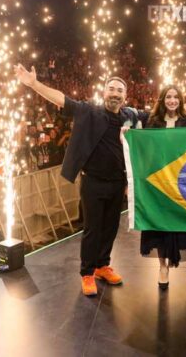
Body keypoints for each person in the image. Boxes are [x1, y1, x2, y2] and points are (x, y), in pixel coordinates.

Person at [15, 64, 138, 298]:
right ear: (103, 92)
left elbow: (158, 115)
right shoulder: (89, 111)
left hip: (117, 183)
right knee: (92, 229)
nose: (115, 93)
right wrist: (33, 84)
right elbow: (62, 99)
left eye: (119, 90)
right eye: (111, 88)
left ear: (125, 96)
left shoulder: (129, 116)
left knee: (111, 228)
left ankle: (103, 266)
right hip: (93, 182)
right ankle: (87, 272)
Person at [139, 85, 186, 293]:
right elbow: (144, 148)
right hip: (160, 185)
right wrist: (126, 131)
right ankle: (163, 268)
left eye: (175, 97)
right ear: (162, 100)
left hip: (184, 184)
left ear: (180, 100)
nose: (171, 100)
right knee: (161, 227)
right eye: (168, 97)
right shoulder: (152, 124)